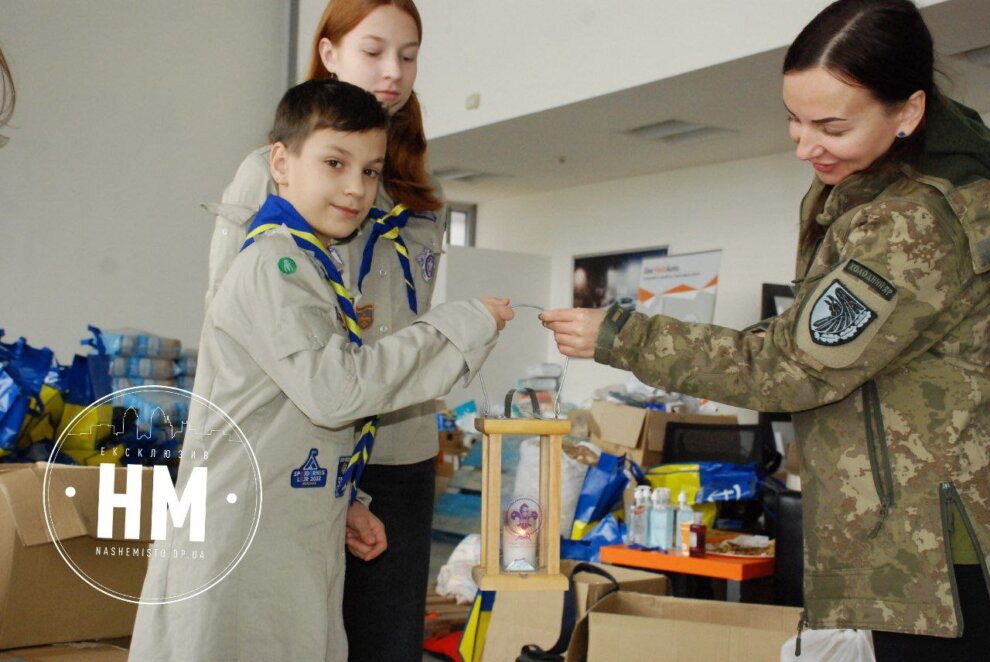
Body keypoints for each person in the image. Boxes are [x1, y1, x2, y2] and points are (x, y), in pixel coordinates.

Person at [542, 0, 989, 657]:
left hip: (931, 553)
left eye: (830, 126)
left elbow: (794, 364)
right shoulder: (872, 192)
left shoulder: (910, 225)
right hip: (909, 538)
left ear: (909, 113)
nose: (806, 144)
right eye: (794, 119)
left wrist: (622, 336)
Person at [130, 79, 513, 661]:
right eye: (335, 162)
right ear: (280, 163)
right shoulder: (274, 263)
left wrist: (345, 498)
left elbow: (288, 416)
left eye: (369, 171)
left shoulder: (311, 266)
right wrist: (457, 327)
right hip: (244, 546)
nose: (355, 188)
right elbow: (337, 390)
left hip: (288, 536)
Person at [205, 3, 446, 657]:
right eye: (373, 51)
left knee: (384, 644)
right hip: (305, 450)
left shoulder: (416, 200)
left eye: (409, 54)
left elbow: (406, 327)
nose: (393, 72)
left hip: (402, 452)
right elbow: (237, 329)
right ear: (330, 53)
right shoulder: (272, 174)